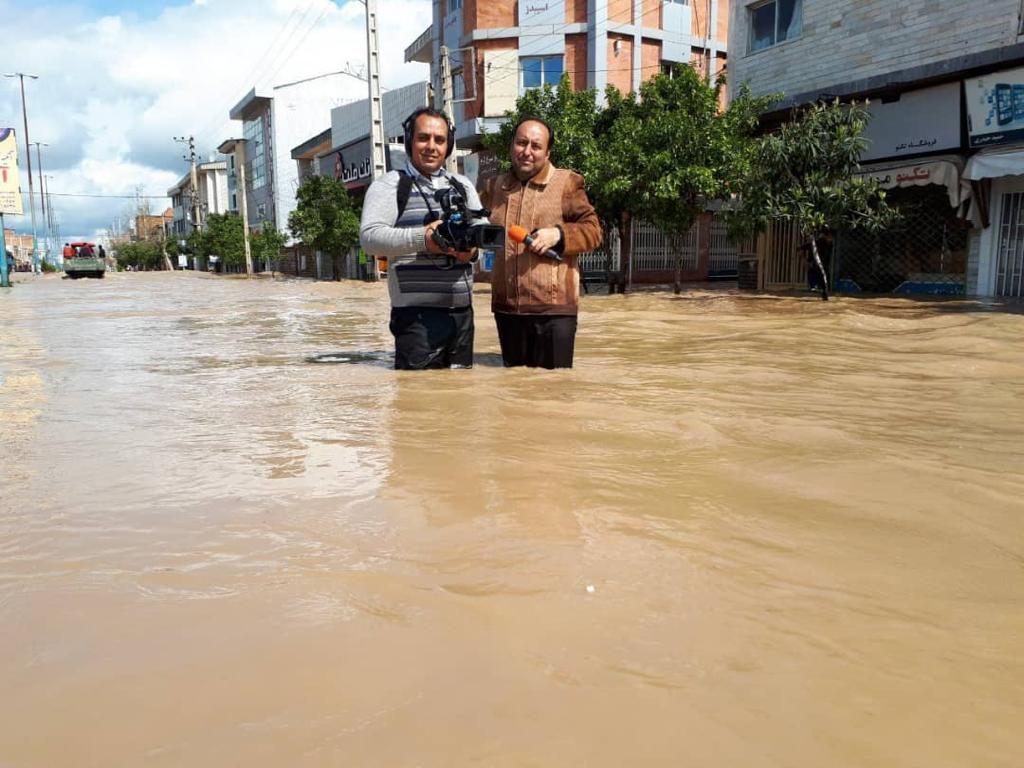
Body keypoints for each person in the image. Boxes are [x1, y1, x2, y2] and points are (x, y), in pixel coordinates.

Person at [360, 107, 485, 370]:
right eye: (423, 138)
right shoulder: (391, 185)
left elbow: (483, 236)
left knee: (461, 403)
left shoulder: (462, 186)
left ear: (448, 145)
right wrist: (424, 239)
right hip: (415, 317)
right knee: (419, 403)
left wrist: (471, 252)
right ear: (409, 141)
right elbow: (370, 238)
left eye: (439, 140)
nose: (431, 146)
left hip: (462, 315)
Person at [482, 118, 602, 369]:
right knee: (515, 395)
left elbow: (594, 231)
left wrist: (558, 235)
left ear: (547, 153)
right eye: (521, 143)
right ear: (511, 146)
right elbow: (476, 230)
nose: (527, 152)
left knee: (553, 396)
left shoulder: (567, 183)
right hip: (507, 310)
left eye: (536, 146)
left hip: (554, 313)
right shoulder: (494, 187)